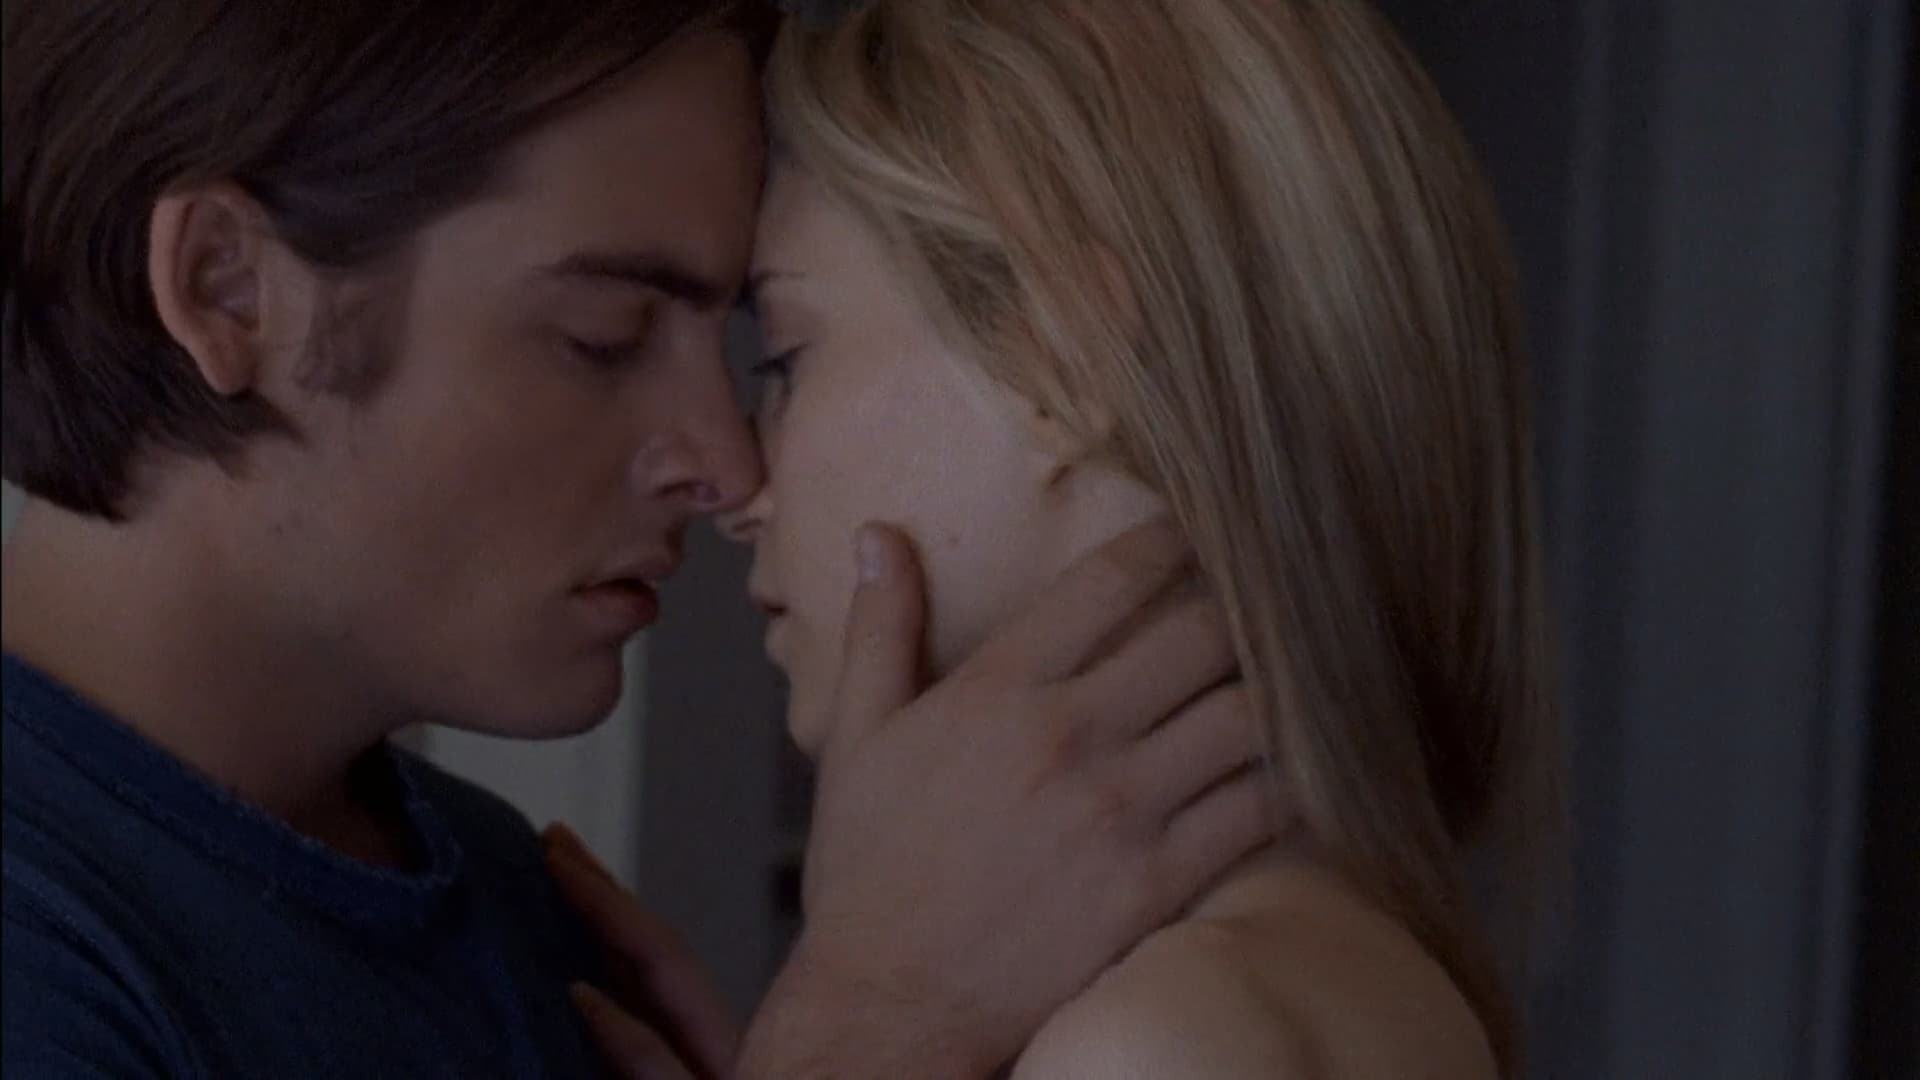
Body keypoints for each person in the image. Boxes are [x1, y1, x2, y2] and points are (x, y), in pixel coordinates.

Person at [0, 2, 1271, 1077]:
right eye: (601, 337)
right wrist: (868, 1032)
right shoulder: (45, 949)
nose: (727, 464)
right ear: (227, 287)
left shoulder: (523, 904)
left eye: (744, 346)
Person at [563, 0, 1566, 1076]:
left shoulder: (1158, 1040)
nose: (739, 488)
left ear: (1064, 356)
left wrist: (849, 1028)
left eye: (784, 362)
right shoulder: (1337, 972)